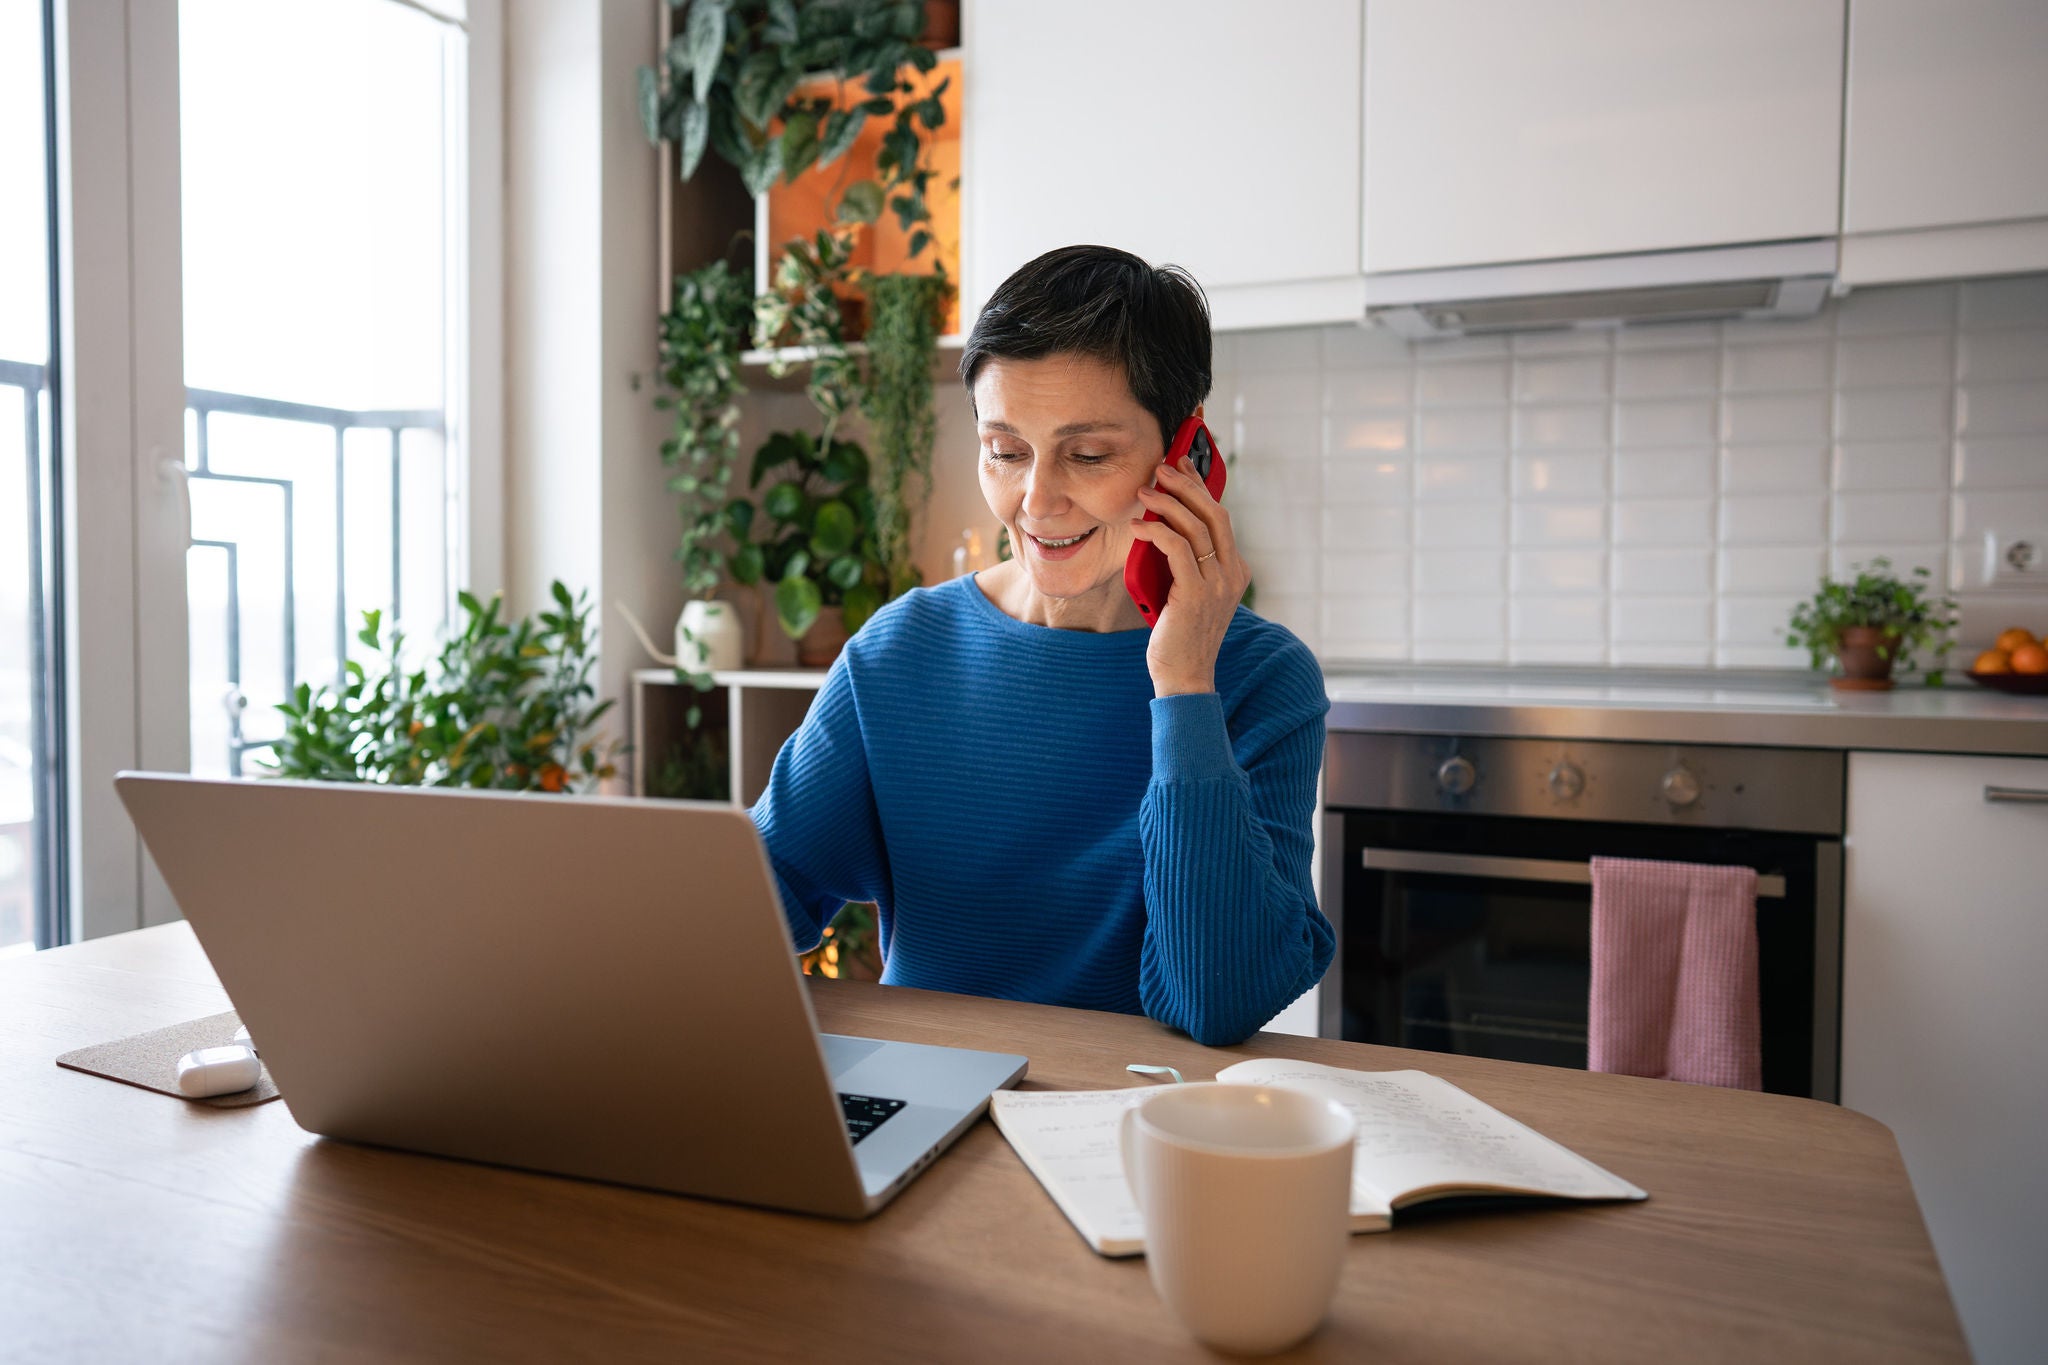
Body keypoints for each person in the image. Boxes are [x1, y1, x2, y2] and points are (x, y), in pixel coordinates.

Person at [749, 245, 1332, 1048]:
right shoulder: (900, 652)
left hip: (1136, 1113)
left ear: (1186, 451)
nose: (1037, 500)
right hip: (932, 1098)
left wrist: (1184, 685)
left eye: (1088, 455)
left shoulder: (1262, 679)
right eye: (1005, 451)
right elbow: (754, 904)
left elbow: (1218, 998)